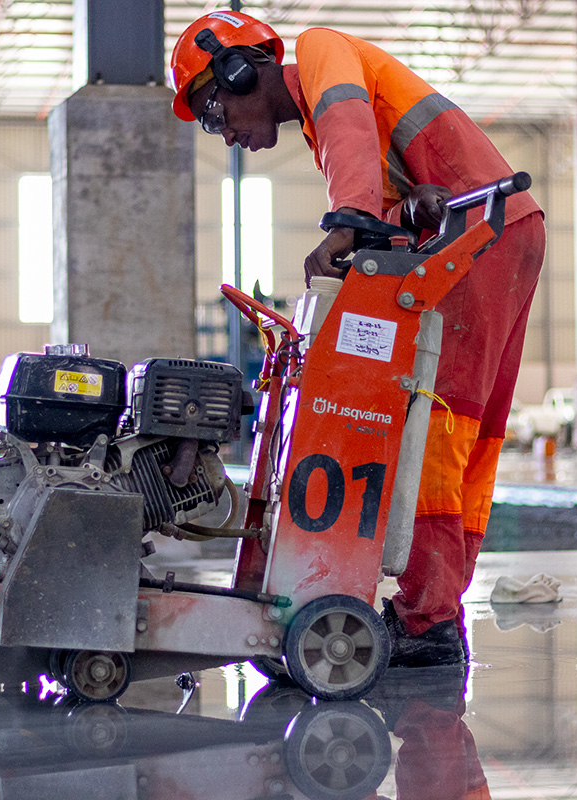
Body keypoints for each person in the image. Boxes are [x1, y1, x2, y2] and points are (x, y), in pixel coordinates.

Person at [171, 11, 546, 667]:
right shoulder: (325, 123)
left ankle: (428, 623)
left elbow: (347, 129)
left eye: (213, 113)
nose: (224, 134)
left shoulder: (322, 55)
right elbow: (396, 195)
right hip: (485, 228)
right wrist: (395, 215)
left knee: (432, 427)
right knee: (463, 437)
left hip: (478, 234)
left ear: (241, 68)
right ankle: (434, 610)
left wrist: (349, 225)